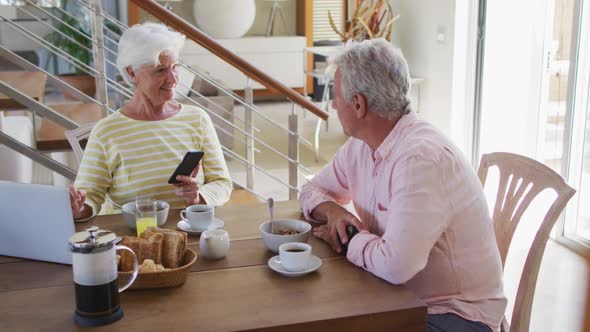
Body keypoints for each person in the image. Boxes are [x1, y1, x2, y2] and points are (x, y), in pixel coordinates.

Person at [299, 38, 506, 332]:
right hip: (397, 295)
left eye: (335, 95)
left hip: (454, 314)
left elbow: (397, 266)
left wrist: (349, 241)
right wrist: (333, 213)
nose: (332, 104)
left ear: (358, 104)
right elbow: (310, 190)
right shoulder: (361, 146)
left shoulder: (421, 159)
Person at [69, 23, 232, 220]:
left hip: (189, 229)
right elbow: (90, 195)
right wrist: (78, 209)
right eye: (160, 70)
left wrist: (197, 199)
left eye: (175, 67)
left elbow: (222, 183)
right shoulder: (106, 131)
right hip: (135, 236)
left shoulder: (197, 119)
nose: (172, 78)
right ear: (132, 73)